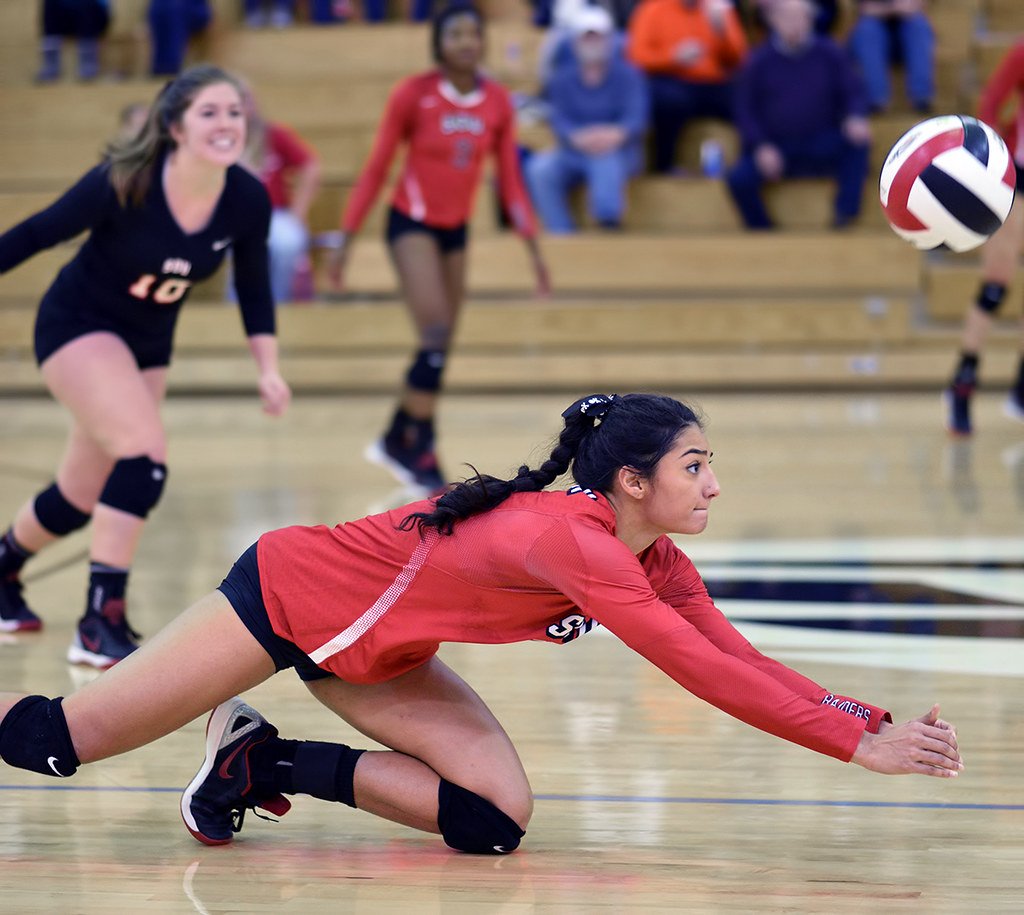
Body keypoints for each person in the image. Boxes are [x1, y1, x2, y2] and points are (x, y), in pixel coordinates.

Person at [0, 393, 964, 854]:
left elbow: (735, 656)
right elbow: (700, 675)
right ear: (633, 482)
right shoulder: (578, 546)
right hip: (291, 597)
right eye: (696, 465)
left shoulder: (651, 556)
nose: (714, 483)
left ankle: (262, 763)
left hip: (378, 654)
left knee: (492, 821)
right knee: (53, 742)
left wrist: (863, 719)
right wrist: (851, 747)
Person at [0, 65, 291, 666]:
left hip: (147, 347)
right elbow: (35, 233)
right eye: (209, 111)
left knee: (80, 495)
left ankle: (4, 569)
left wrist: (268, 366)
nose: (226, 123)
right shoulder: (124, 181)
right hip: (77, 327)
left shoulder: (245, 197)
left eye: (234, 112)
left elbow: (255, 285)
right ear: (175, 126)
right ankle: (98, 620)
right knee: (143, 455)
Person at [329, 4, 550, 494]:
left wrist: (533, 250)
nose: (467, 41)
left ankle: (394, 436)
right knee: (432, 331)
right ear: (439, 43)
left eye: (474, 33)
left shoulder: (496, 101)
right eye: (456, 33)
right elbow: (377, 167)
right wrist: (343, 243)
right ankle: (422, 447)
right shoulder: (415, 94)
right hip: (410, 222)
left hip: (455, 230)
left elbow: (510, 181)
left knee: (442, 342)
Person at [725, 0, 871, 230]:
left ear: (811, 19)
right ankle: (763, 231)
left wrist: (855, 116)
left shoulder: (831, 54)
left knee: (857, 144)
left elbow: (853, 91)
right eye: (786, 17)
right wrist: (760, 145)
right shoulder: (757, 61)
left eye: (799, 17)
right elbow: (744, 110)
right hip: (776, 147)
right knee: (739, 179)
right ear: (772, 20)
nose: (793, 24)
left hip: (820, 141)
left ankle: (845, 215)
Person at [945, 40, 1024, 435]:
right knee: (996, 285)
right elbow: (991, 104)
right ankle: (962, 383)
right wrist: (996, 163)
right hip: (1018, 180)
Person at [527, 6, 648, 232]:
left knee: (605, 159)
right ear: (575, 42)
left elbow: (636, 118)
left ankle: (608, 225)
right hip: (574, 149)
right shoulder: (562, 78)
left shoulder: (629, 75)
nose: (592, 43)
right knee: (540, 169)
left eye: (598, 37)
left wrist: (613, 135)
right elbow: (559, 119)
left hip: (620, 151)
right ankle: (561, 232)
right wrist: (578, 137)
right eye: (586, 37)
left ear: (610, 40)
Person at [626, 0, 747, 174]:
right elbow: (636, 56)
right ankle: (664, 166)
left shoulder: (717, 9)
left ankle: (750, 164)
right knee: (668, 101)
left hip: (712, 83)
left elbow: (739, 59)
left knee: (745, 100)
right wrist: (672, 57)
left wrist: (722, 30)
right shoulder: (652, 9)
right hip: (671, 78)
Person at [236, 85, 322, 303]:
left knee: (288, 241)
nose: (244, 107)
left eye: (247, 100)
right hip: (233, 216)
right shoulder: (220, 140)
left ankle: (278, 301)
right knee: (242, 247)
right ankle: (236, 306)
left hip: (276, 213)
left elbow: (310, 165)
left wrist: (298, 213)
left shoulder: (273, 135)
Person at [847, 0, 934, 114]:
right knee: (867, 29)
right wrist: (894, 8)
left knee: (919, 26)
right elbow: (865, 9)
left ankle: (921, 98)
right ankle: (876, 100)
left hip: (907, 30)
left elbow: (919, 4)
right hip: (875, 33)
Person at [36, 0, 110, 82]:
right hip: (67, 18)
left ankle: (88, 62)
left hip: (93, 16)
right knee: (50, 3)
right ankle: (51, 64)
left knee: (86, 4)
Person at [147, 0, 211, 76]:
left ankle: (169, 66)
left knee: (174, 9)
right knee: (163, 8)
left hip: (193, 7)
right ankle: (162, 66)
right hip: (165, 6)